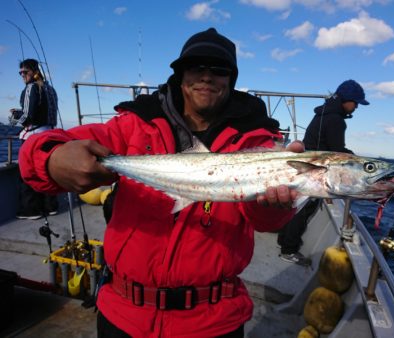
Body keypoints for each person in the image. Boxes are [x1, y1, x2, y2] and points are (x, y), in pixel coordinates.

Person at [18, 28, 304, 338]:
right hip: (123, 313)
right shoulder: (134, 123)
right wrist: (51, 157)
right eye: (196, 67)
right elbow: (45, 146)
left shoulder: (259, 144)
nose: (206, 77)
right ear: (181, 75)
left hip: (213, 321)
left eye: (219, 70)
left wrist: (277, 207)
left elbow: (263, 221)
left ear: (230, 80)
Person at [278, 79, 369, 264]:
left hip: (306, 165)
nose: (356, 107)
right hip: (316, 173)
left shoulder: (322, 113)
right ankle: (288, 250)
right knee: (304, 210)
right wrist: (358, 162)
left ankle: (283, 238)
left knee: (297, 207)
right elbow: (337, 151)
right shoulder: (336, 120)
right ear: (347, 99)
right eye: (356, 102)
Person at [10, 58, 59, 220]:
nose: (22, 75)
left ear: (34, 71)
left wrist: (16, 116)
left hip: (33, 138)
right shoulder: (50, 89)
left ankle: (31, 210)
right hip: (49, 135)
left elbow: (28, 118)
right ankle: (51, 206)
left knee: (27, 172)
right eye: (20, 73)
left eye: (25, 72)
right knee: (46, 171)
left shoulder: (31, 88)